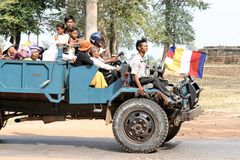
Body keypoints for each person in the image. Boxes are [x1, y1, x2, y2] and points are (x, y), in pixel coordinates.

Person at [130, 37, 178, 103]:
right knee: (154, 78)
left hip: (143, 78)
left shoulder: (143, 58)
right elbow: (134, 74)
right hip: (138, 80)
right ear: (139, 48)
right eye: (144, 46)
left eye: (147, 46)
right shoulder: (136, 59)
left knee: (164, 81)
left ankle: (168, 95)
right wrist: (140, 87)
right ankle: (170, 94)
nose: (146, 47)